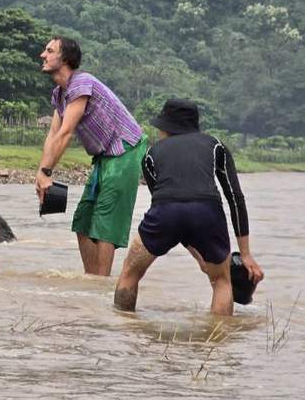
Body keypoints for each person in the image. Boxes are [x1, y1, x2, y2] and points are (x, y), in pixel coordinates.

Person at [114, 99, 265, 315]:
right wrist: (246, 255)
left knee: (130, 272)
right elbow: (235, 197)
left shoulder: (150, 154)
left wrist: (196, 254)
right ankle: (218, 341)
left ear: (166, 127)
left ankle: (123, 329)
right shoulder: (216, 146)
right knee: (222, 282)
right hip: (208, 212)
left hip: (165, 212)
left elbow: (167, 207)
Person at [35, 36, 146, 276]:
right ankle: (92, 281)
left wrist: (47, 171)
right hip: (104, 157)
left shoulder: (81, 83)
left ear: (65, 59)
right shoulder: (60, 94)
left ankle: (102, 282)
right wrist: (41, 173)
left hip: (125, 150)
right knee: (83, 220)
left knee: (105, 220)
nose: (42, 55)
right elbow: (53, 135)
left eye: (49, 50)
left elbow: (65, 133)